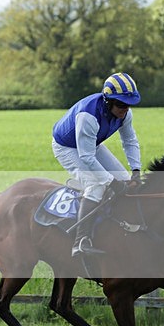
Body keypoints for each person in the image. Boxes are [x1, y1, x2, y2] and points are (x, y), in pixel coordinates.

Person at [52, 72, 142, 257]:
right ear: (108, 102)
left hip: (91, 145)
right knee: (97, 184)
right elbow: (86, 157)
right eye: (121, 105)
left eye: (129, 105)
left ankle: (118, 226)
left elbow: (130, 141)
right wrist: (110, 182)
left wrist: (136, 170)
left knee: (125, 179)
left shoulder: (125, 114)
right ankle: (80, 241)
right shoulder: (88, 116)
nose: (125, 109)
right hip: (68, 148)